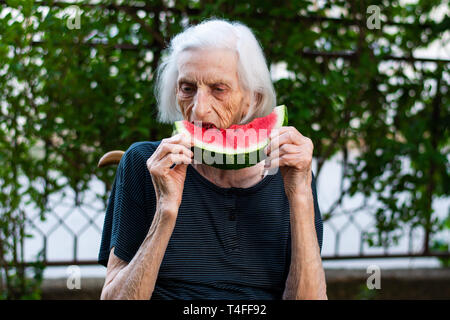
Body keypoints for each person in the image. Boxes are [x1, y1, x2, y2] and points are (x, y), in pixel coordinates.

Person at [98, 18, 327, 300]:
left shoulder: (291, 173)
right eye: (187, 88)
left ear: (253, 99)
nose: (199, 109)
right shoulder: (146, 164)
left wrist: (300, 195)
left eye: (219, 89)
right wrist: (166, 210)